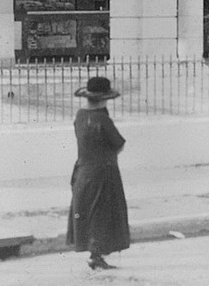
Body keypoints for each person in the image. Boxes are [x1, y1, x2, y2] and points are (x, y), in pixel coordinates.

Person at [67, 76, 130, 271]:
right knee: (103, 213)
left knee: (89, 212)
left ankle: (95, 254)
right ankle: (97, 255)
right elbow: (119, 144)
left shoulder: (80, 115)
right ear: (104, 99)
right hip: (103, 172)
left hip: (83, 171)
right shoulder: (102, 119)